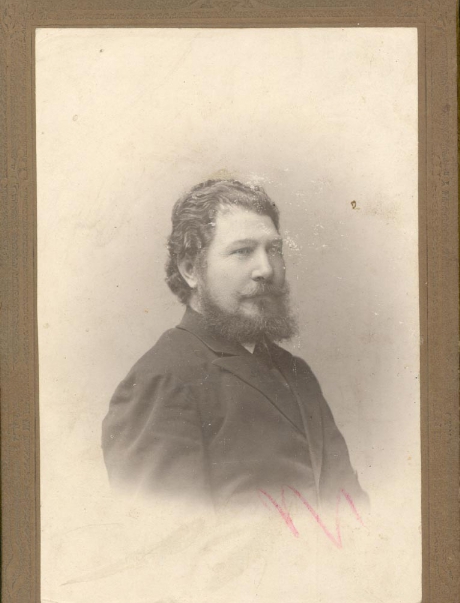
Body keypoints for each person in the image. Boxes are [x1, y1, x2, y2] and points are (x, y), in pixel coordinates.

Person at [102, 179, 368, 510]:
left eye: (274, 250)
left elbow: (351, 511)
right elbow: (169, 535)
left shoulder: (297, 373)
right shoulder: (162, 380)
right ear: (190, 270)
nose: (266, 269)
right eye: (243, 251)